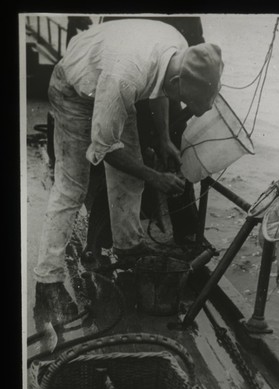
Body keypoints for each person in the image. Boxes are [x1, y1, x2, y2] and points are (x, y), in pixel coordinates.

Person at [34, 18, 223, 321]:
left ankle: (127, 245)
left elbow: (161, 88)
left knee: (129, 177)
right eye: (186, 99)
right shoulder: (125, 77)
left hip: (112, 83)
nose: (183, 102)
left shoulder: (181, 51)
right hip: (74, 89)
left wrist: (163, 139)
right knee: (72, 187)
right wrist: (155, 177)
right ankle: (47, 281)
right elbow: (104, 147)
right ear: (180, 83)